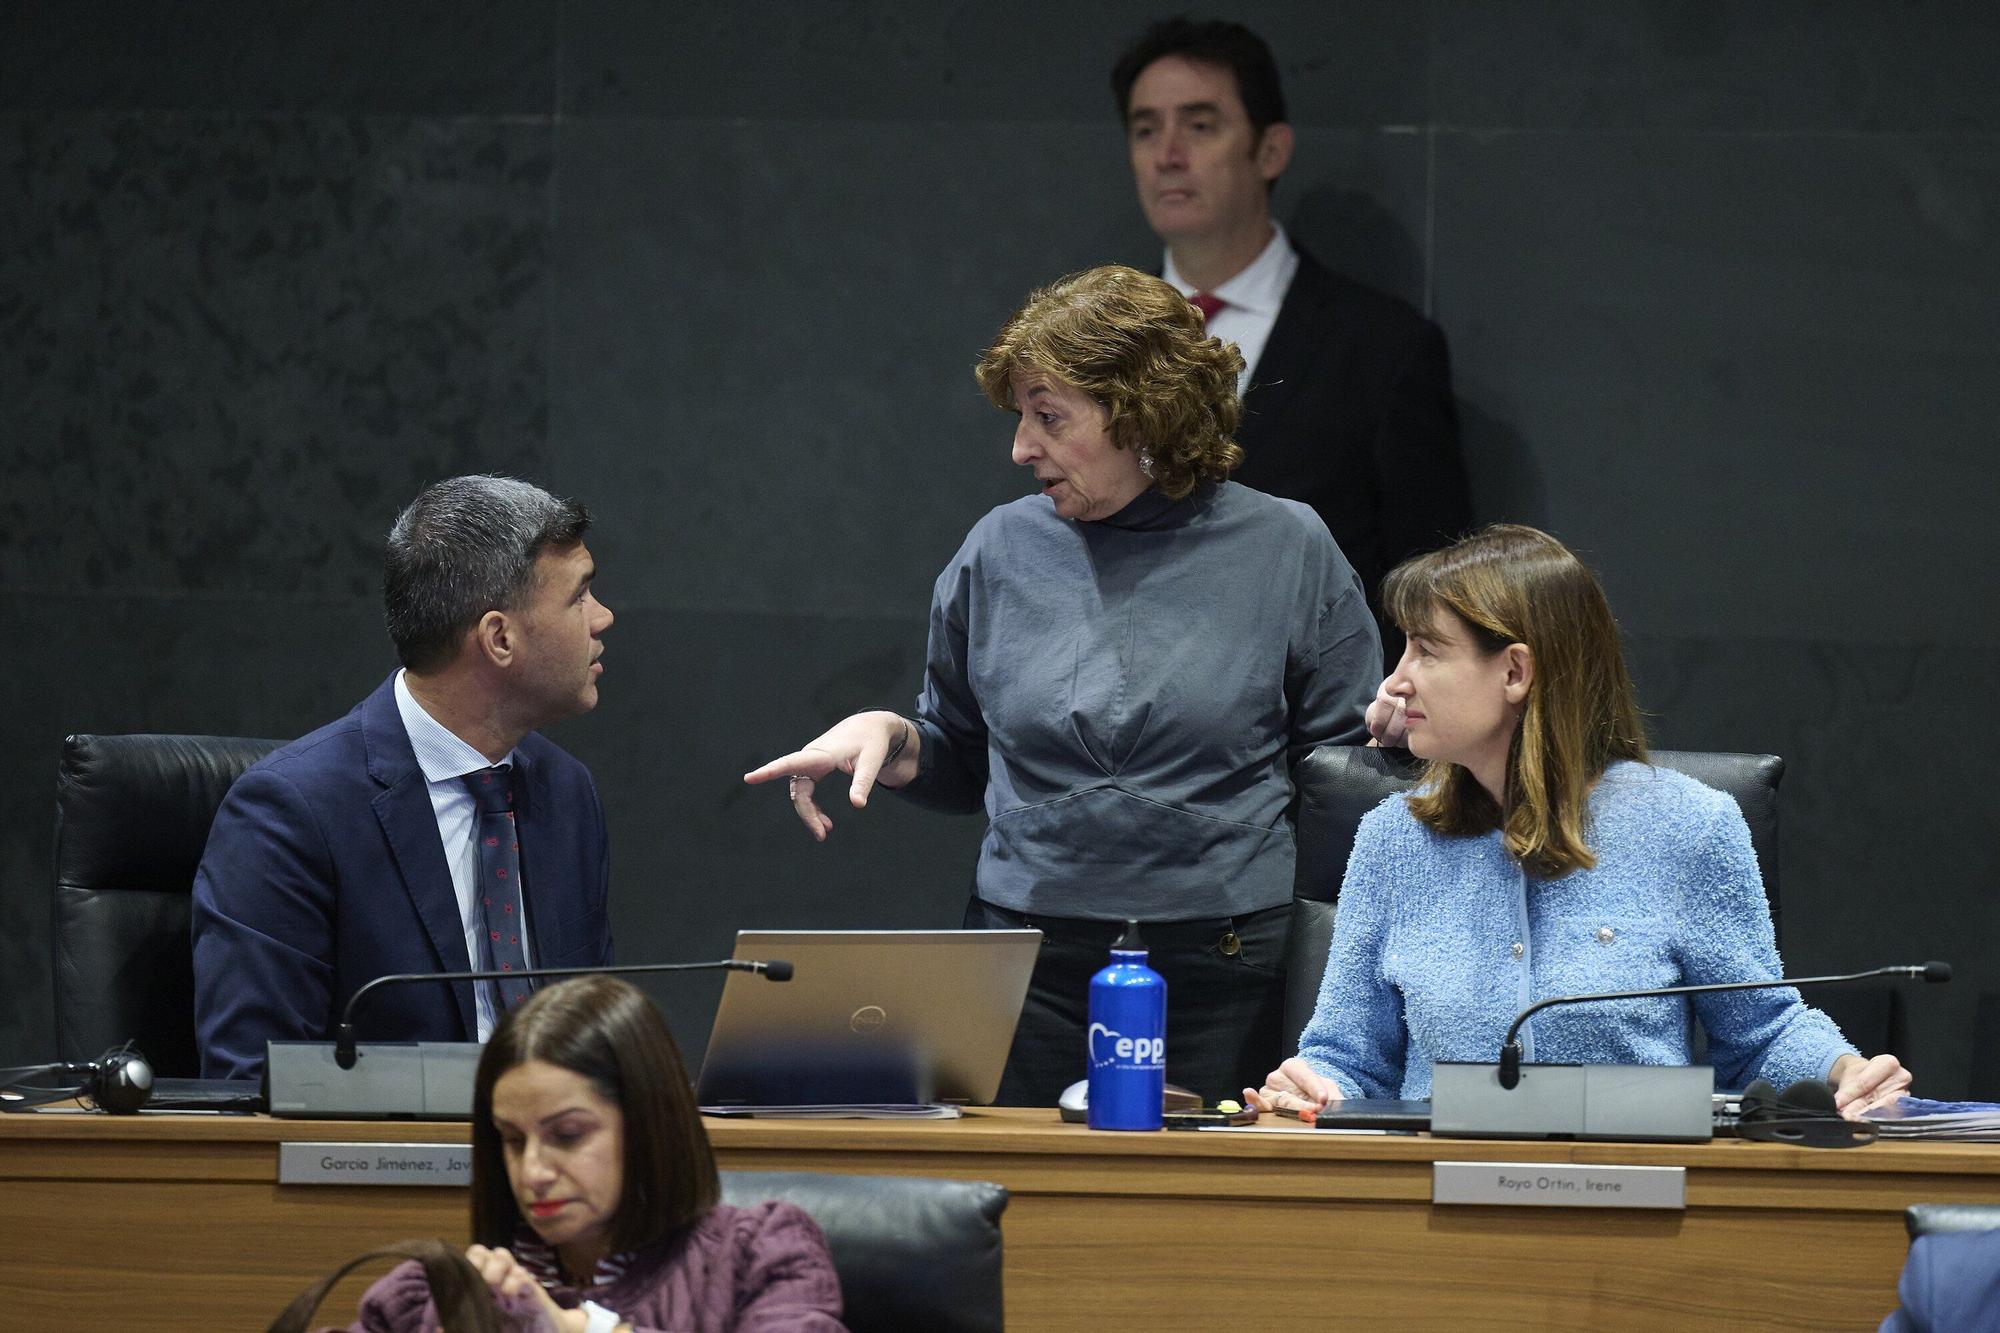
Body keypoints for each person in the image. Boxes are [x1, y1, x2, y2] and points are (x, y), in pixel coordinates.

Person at [746, 265, 1381, 1105]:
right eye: (1021, 416)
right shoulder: (998, 550)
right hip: (1023, 963)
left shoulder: (1289, 548)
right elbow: (958, 756)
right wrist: (895, 740)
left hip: (1225, 968)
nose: (1020, 448)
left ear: (1144, 412)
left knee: (1204, 1190)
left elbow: (1347, 779)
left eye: (1048, 417)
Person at [1248, 524, 1912, 1115]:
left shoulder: (1690, 827)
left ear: (1515, 671)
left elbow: (1761, 1034)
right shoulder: (1393, 838)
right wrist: (1314, 1084)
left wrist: (1845, 1071)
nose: (1396, 682)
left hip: (1635, 1185)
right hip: (1440, 1187)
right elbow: (1349, 1056)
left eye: (1427, 650)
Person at [193, 475, 616, 1081]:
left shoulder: (566, 791)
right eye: (580, 596)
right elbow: (256, 1078)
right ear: (499, 638)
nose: (603, 618)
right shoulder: (291, 814)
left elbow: (593, 1046)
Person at [1111, 17, 1471, 661]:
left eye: (1200, 125)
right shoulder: (1097, 339)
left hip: (1313, 711)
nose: (1167, 155)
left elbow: (1433, 588)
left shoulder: (1384, 348)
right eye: (1145, 129)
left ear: (1271, 150)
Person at [347, 975, 845, 1331]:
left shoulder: (759, 1256)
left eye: (568, 1135)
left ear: (647, 1123)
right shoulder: (433, 1293)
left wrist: (575, 1328)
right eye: (513, 1140)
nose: (533, 1172)